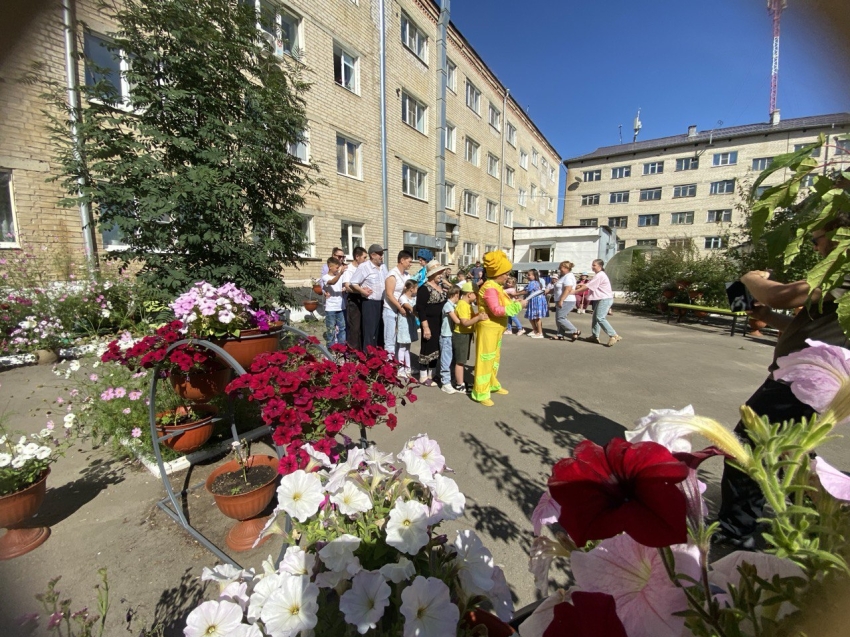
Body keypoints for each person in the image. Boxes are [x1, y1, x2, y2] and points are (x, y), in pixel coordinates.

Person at [716, 216, 850, 548]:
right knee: (793, 452)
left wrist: (750, 278)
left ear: (838, 236)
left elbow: (783, 295)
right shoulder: (833, 279)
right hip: (802, 377)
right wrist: (768, 318)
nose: (815, 246)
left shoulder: (844, 270)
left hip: (806, 381)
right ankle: (825, 522)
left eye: (816, 238)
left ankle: (738, 531)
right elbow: (809, 324)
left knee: (745, 447)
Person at [472, 251, 528, 407]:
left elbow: (503, 304)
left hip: (497, 328)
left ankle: (492, 384)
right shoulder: (490, 287)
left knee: (494, 358)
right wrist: (518, 305)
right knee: (485, 359)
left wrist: (514, 302)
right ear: (498, 274)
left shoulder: (496, 286)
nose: (507, 276)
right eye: (506, 273)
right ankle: (480, 392)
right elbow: (496, 310)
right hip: (488, 328)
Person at [415, 260, 449, 387]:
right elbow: (420, 309)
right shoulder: (424, 288)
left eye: (441, 272)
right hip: (429, 323)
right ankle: (423, 376)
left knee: (436, 348)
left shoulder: (440, 287)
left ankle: (432, 374)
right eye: (438, 273)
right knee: (427, 347)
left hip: (440, 323)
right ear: (432, 274)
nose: (441, 275)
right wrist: (425, 327)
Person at [449, 281, 487, 392]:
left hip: (465, 335)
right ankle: (459, 384)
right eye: (476, 294)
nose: (477, 296)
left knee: (462, 360)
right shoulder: (462, 305)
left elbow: (470, 317)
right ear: (470, 294)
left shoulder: (467, 305)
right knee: (460, 361)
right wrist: (478, 318)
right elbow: (465, 322)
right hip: (461, 335)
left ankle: (460, 381)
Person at [574, 259, 621, 346]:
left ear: (600, 266)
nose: (592, 267)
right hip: (602, 299)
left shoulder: (600, 275)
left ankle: (613, 335)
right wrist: (581, 285)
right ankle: (595, 336)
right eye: (592, 265)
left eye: (594, 265)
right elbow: (589, 284)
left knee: (600, 318)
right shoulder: (598, 275)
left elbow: (588, 287)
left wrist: (574, 292)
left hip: (605, 299)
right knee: (595, 317)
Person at [349, 244, 387, 350]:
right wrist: (362, 291)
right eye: (379, 254)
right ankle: (368, 356)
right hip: (370, 303)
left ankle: (379, 355)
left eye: (382, 254)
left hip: (382, 302)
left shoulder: (383, 266)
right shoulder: (364, 267)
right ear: (373, 255)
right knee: (370, 331)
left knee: (380, 330)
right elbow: (353, 283)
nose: (381, 256)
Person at [383, 250, 413, 359]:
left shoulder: (406, 275)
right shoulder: (392, 275)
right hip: (390, 309)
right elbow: (389, 295)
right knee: (390, 339)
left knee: (401, 338)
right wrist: (400, 308)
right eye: (409, 261)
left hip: (402, 309)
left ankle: (400, 363)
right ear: (402, 260)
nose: (410, 264)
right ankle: (389, 365)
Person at [342, 246, 368, 350]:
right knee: (354, 327)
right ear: (357, 257)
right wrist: (361, 290)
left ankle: (361, 350)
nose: (366, 260)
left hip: (363, 298)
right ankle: (352, 352)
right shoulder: (349, 269)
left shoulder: (363, 268)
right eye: (364, 257)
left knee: (363, 326)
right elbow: (347, 287)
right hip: (354, 300)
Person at [439, 286, 462, 394]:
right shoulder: (448, 305)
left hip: (450, 335)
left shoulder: (453, 305)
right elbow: (457, 320)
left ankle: (451, 379)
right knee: (446, 359)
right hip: (445, 336)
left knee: (451, 359)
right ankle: (445, 382)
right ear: (456, 294)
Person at [550, 261, 580, 341]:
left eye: (561, 267)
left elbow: (568, 289)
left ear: (566, 268)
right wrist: (547, 291)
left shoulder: (569, 277)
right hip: (561, 299)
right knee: (558, 318)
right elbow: (558, 288)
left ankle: (575, 330)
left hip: (567, 300)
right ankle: (560, 335)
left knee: (560, 318)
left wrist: (561, 300)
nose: (560, 269)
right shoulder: (564, 276)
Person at [395, 280, 419, 379]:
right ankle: (400, 369)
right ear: (411, 288)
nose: (417, 290)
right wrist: (419, 314)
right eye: (416, 288)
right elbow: (409, 307)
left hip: (410, 325)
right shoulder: (403, 298)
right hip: (404, 325)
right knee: (402, 347)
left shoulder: (414, 298)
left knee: (408, 348)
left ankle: (408, 368)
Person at [321, 257, 346, 346]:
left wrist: (345, 288)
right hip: (331, 307)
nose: (337, 269)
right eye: (336, 267)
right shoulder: (325, 277)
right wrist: (340, 274)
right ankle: (330, 349)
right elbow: (332, 282)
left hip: (340, 306)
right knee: (331, 329)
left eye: (338, 267)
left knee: (342, 328)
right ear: (330, 267)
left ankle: (341, 348)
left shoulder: (340, 276)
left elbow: (343, 285)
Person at [524, 269, 549, 339]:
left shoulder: (534, 282)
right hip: (533, 301)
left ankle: (540, 333)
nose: (527, 276)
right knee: (531, 316)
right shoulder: (533, 282)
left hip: (537, 301)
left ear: (534, 275)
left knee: (537, 317)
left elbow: (526, 291)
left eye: (529, 275)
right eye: (527, 275)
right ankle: (535, 330)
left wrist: (515, 294)